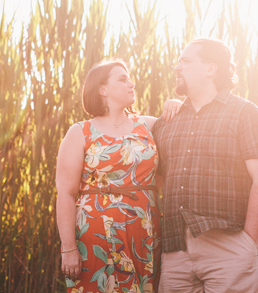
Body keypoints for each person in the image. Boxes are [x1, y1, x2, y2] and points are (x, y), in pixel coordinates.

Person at [153, 38, 258, 293]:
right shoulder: (167, 121)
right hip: (175, 252)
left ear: (211, 69)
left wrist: (248, 242)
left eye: (186, 61)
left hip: (229, 247)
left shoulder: (245, 114)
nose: (177, 67)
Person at [56, 58, 181, 293]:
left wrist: (175, 104)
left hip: (144, 231)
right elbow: (66, 194)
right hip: (94, 234)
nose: (131, 84)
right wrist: (69, 248)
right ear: (102, 90)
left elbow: (187, 125)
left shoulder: (148, 125)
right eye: (123, 79)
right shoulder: (80, 132)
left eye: (130, 79)